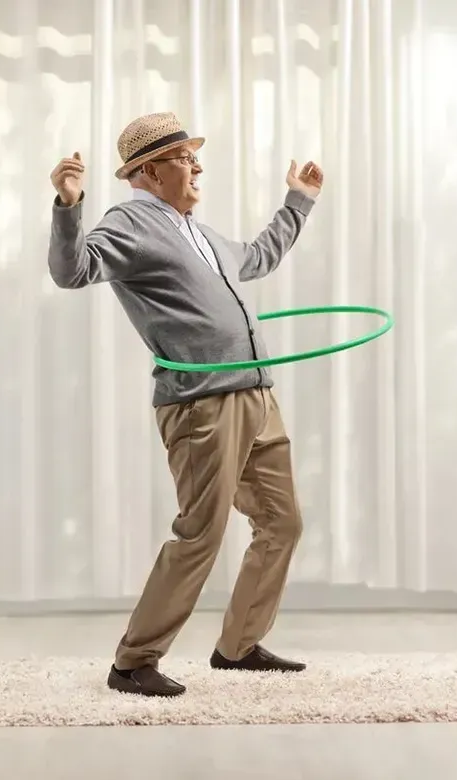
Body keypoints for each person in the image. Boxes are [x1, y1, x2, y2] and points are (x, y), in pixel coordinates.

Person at [47, 111, 324, 698]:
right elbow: (72, 271)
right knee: (200, 532)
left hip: (255, 392)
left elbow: (257, 257)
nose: (197, 165)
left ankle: (239, 646)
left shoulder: (195, 229)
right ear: (148, 170)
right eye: (183, 157)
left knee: (282, 522)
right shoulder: (130, 222)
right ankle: (132, 662)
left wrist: (297, 202)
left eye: (195, 155)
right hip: (201, 401)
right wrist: (69, 206)